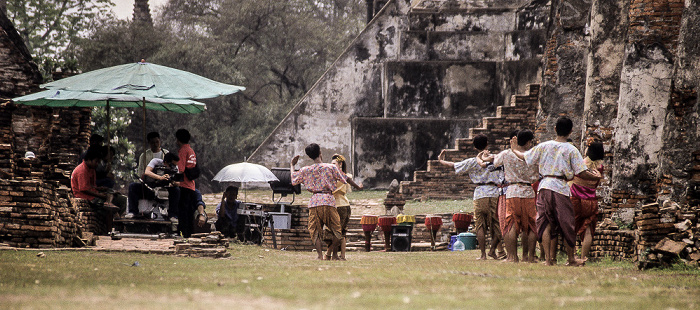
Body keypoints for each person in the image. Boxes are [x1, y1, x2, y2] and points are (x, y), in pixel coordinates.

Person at [510, 117, 602, 266]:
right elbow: (581, 172)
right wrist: (595, 177)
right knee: (566, 222)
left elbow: (525, 157)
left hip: (544, 185)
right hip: (560, 187)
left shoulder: (544, 146)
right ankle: (571, 258)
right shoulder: (571, 149)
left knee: (545, 221)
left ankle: (548, 259)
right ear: (571, 131)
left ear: (555, 129)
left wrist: (514, 149)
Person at [436, 134, 505, 260]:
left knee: (480, 226)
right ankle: (493, 250)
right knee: (497, 225)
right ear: (487, 144)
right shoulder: (495, 159)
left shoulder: (472, 162)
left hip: (479, 193)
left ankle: (483, 254)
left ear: (474, 147)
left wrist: (441, 160)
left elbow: (454, 165)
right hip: (494, 192)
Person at [483, 129, 539, 262]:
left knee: (511, 223)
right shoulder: (533, 154)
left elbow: (492, 163)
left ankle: (512, 256)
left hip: (512, 190)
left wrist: (484, 156)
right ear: (528, 142)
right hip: (528, 191)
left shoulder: (507, 153)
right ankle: (530, 256)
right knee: (531, 224)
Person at [290, 143, 348, 260]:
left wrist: (292, 165)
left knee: (314, 230)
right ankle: (335, 255)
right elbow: (344, 179)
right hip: (329, 201)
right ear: (320, 153)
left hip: (314, 202)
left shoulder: (306, 170)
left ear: (310, 157)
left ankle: (320, 255)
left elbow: (293, 179)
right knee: (337, 229)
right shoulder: (331, 167)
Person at [323, 154, 363, 261]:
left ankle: (330, 255)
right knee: (338, 232)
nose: (332, 166)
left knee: (336, 232)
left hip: (339, 205)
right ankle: (337, 255)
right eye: (331, 164)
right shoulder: (344, 175)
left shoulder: (337, 176)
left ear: (340, 164)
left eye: (334, 164)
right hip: (340, 204)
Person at [571, 141, 605, 261]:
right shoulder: (600, 168)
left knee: (571, 228)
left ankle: (573, 256)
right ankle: (583, 257)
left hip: (576, 200)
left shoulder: (580, 164)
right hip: (591, 201)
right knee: (588, 229)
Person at [71, 147, 127, 215]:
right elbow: (83, 189)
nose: (97, 164)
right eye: (96, 161)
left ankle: (113, 214)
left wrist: (99, 188)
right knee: (109, 208)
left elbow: (91, 185)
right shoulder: (81, 170)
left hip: (93, 194)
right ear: (89, 159)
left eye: (98, 162)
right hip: (85, 196)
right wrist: (99, 195)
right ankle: (110, 220)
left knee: (123, 199)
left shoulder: (92, 169)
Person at [127, 131, 169, 218]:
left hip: (163, 186)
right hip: (149, 185)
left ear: (160, 141)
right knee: (133, 187)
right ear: (149, 143)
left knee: (176, 190)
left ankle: (173, 215)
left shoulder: (166, 154)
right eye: (153, 143)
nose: (155, 144)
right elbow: (141, 173)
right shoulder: (144, 156)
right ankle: (132, 212)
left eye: (157, 142)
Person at [175, 128, 203, 238]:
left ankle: (183, 234)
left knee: (182, 212)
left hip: (183, 186)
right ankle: (189, 234)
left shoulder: (182, 150)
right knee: (189, 212)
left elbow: (180, 169)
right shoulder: (191, 151)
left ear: (178, 139)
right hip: (191, 186)